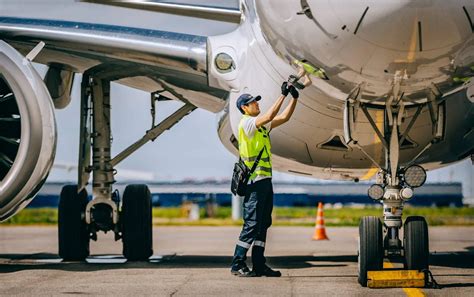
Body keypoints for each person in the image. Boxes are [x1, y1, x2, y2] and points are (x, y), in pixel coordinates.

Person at [230, 81, 300, 277]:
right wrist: (283, 95)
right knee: (252, 224)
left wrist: (294, 98)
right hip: (254, 182)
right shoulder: (247, 123)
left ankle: (259, 264)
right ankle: (237, 263)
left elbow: (283, 117)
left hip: (265, 181)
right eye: (253, 103)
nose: (256, 104)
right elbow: (269, 116)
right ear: (245, 108)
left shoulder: (260, 128)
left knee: (262, 224)